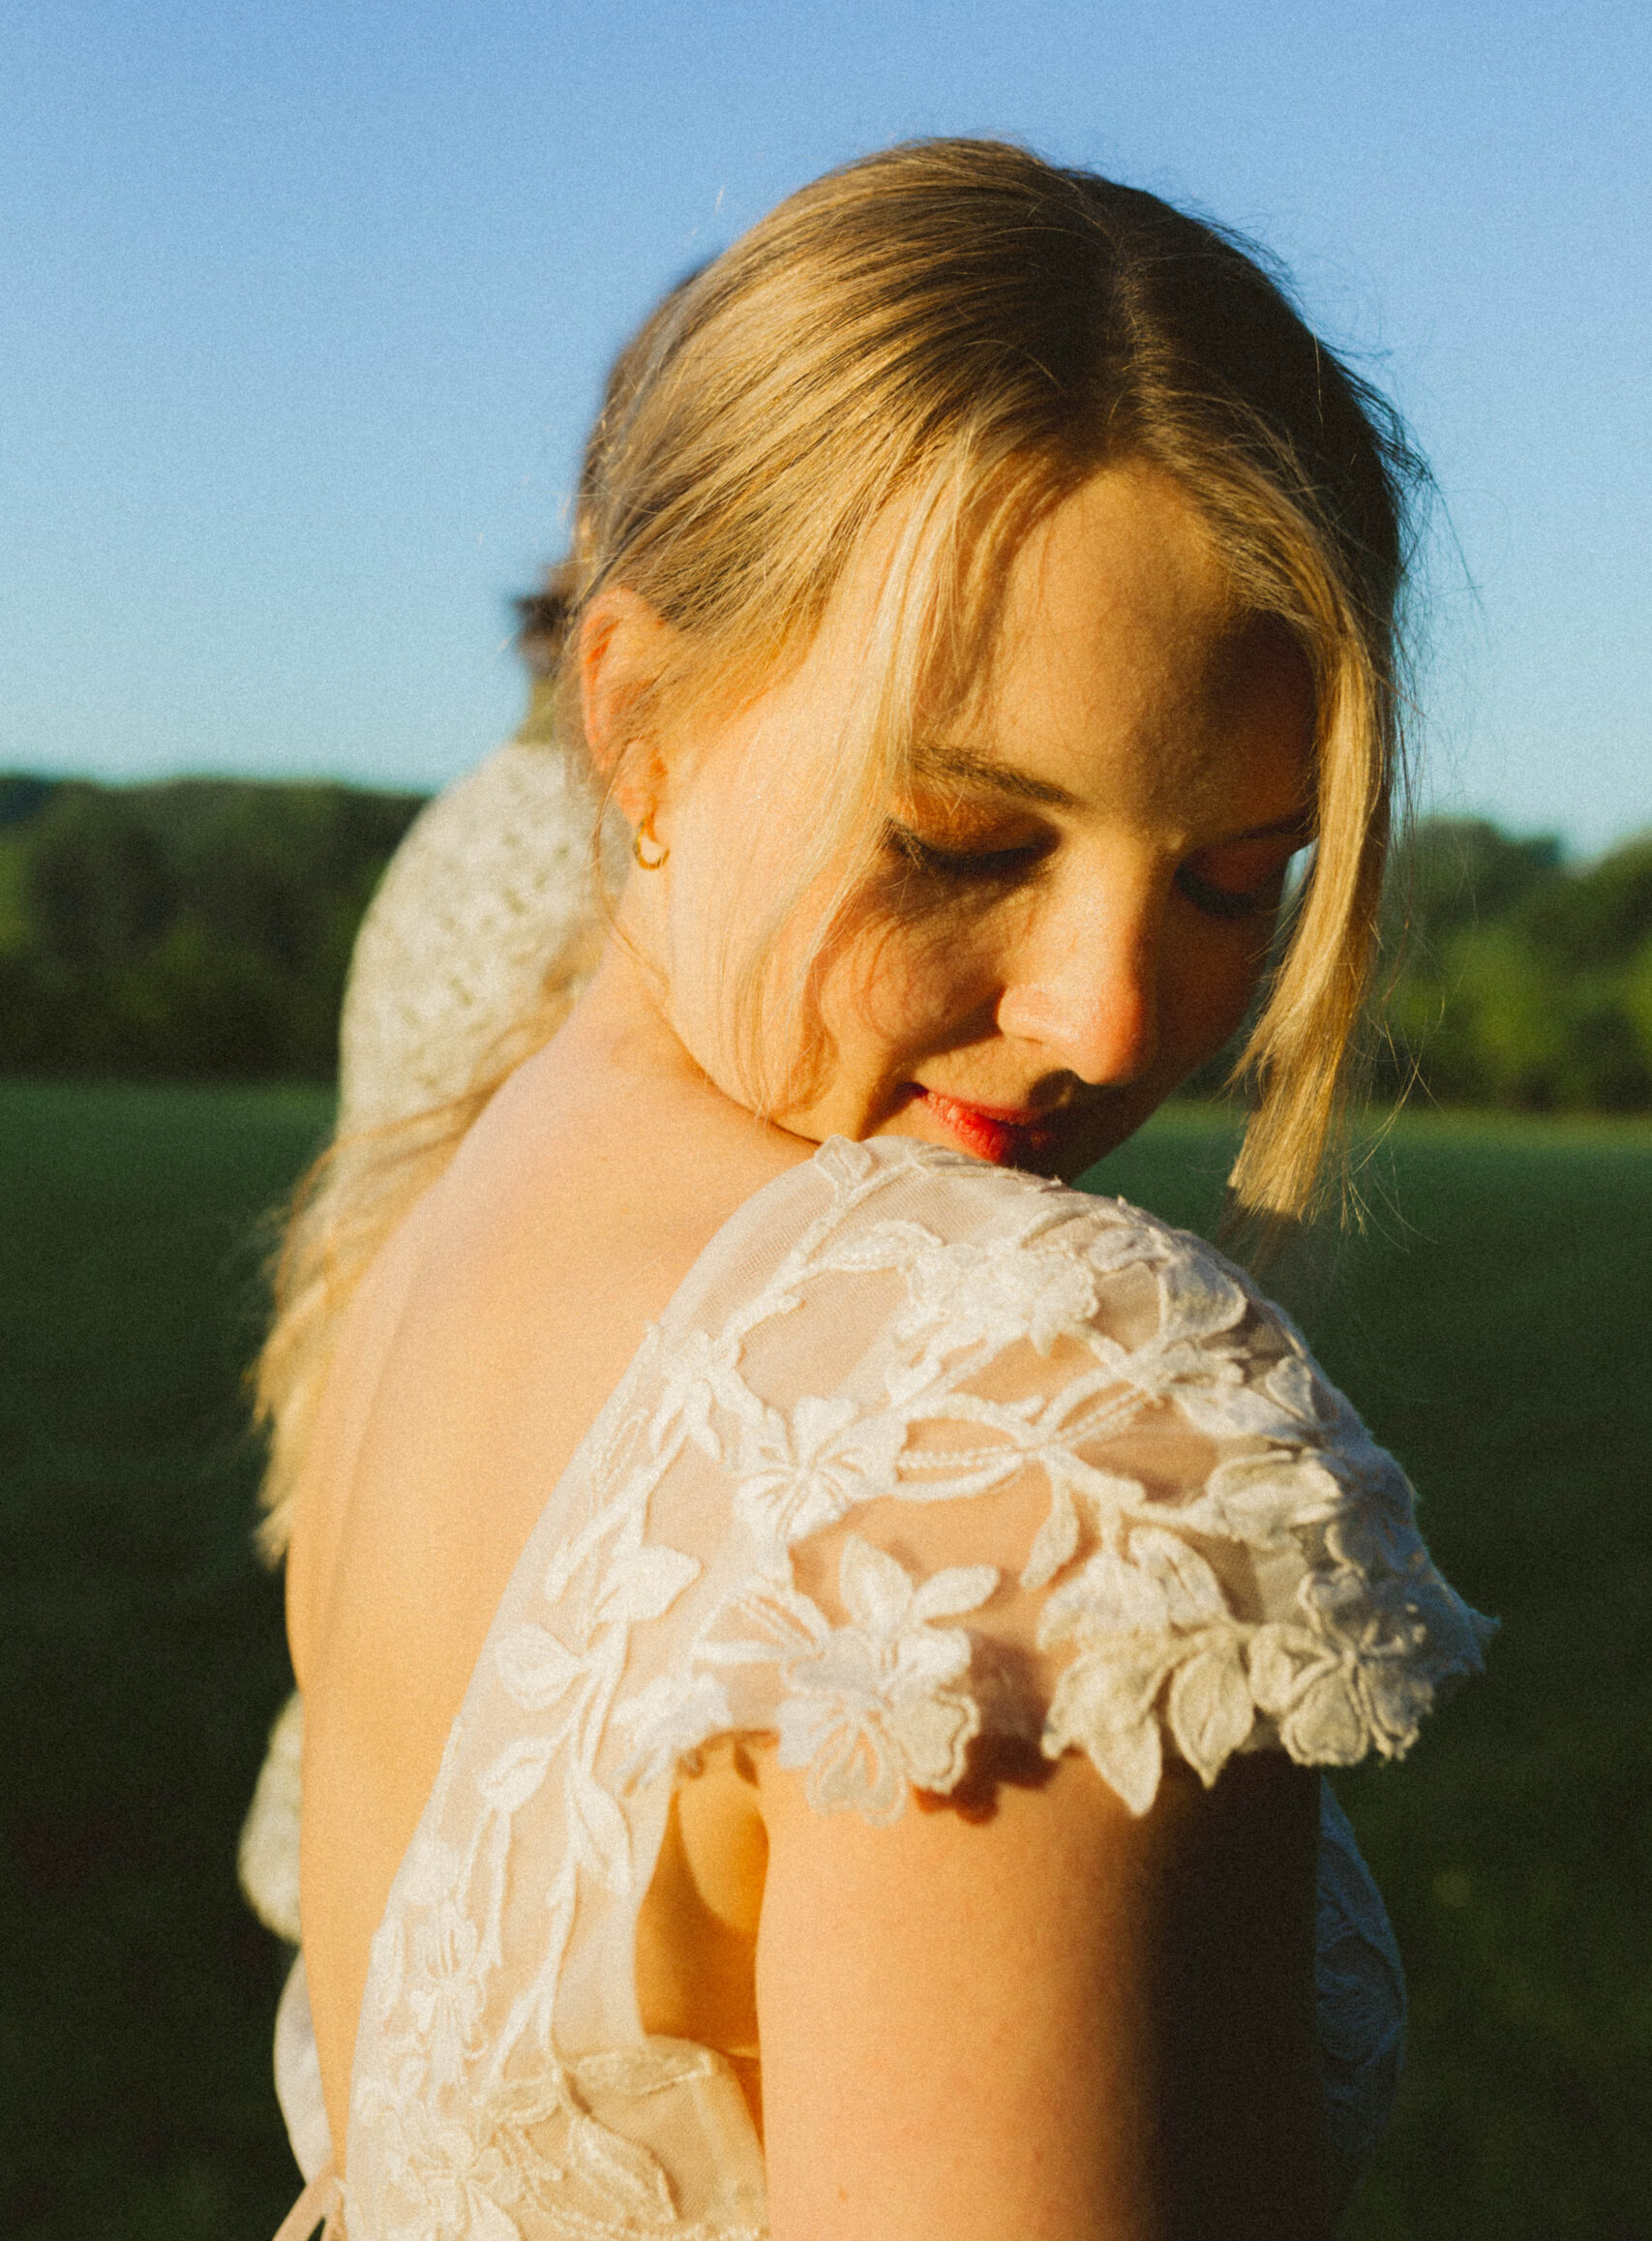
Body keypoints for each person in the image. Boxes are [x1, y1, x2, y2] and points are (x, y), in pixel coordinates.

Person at [255, 139, 1490, 2241]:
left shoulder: (452, 1198)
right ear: (630, 715)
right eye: (961, 837)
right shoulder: (1023, 1406)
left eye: (1227, 874)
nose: (1108, 1014)